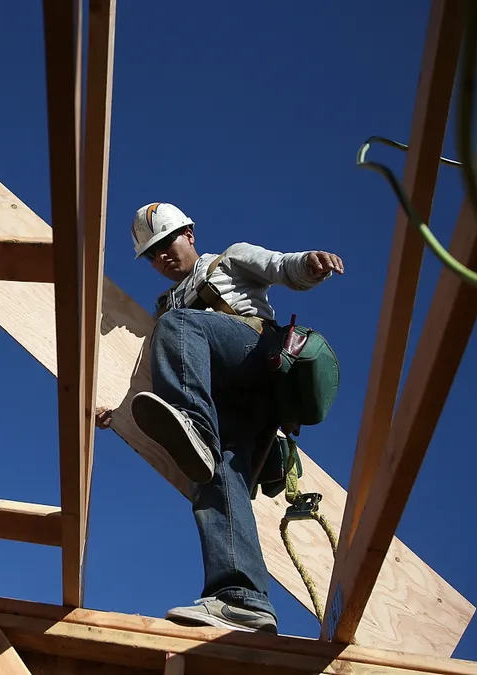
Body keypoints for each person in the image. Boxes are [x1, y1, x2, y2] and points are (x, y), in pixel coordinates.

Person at [94, 202, 343, 633]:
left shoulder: (228, 260)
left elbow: (281, 267)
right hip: (228, 404)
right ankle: (242, 600)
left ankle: (196, 429)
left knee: (176, 327)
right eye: (152, 254)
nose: (162, 257)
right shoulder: (167, 308)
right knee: (214, 479)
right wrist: (117, 415)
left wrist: (311, 264)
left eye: (166, 243)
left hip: (255, 354)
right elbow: (153, 377)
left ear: (189, 234)